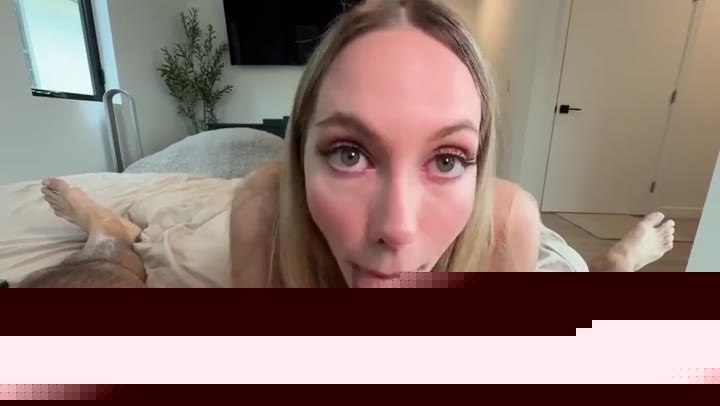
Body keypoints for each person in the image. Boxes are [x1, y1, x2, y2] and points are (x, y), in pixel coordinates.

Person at [13, 0, 675, 289]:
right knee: (139, 259)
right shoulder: (262, 209)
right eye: (349, 153)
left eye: (447, 160)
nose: (397, 228)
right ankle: (108, 231)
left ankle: (615, 262)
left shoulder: (505, 221)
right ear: (300, 155)